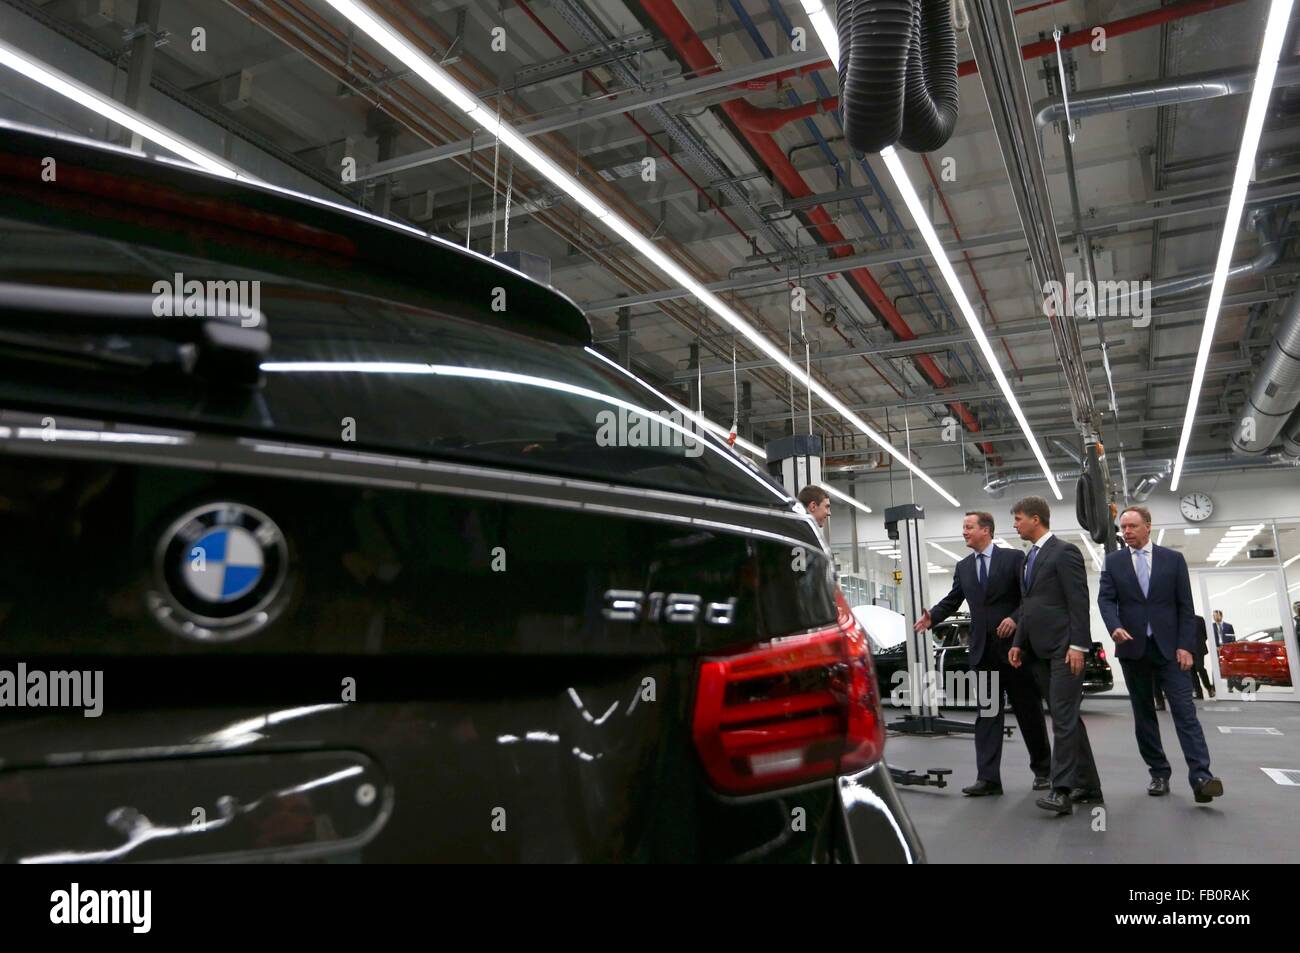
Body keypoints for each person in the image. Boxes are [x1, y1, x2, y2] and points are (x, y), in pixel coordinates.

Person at [914, 511, 1052, 796]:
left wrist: (1015, 618)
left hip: (1015, 652)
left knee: (1029, 712)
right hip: (984, 654)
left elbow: (1030, 597)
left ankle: (1044, 771)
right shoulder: (964, 567)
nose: (964, 532)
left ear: (986, 530)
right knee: (987, 715)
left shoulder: (1013, 559)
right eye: (964, 527)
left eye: (968, 527)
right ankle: (988, 779)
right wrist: (933, 618)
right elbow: (952, 601)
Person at [1097, 505, 1223, 803]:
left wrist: (1185, 646)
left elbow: (1185, 607)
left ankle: (1202, 777)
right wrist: (1114, 626)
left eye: (1132, 526)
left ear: (1148, 526)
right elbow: (1105, 599)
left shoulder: (1173, 560)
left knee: (1185, 712)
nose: (1126, 532)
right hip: (1132, 649)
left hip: (1171, 650)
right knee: (1144, 715)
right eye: (1123, 527)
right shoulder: (1113, 562)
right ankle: (1158, 773)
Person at [1005, 496, 1102, 815]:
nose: (1015, 524)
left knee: (1061, 717)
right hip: (1038, 651)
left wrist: (1079, 645)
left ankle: (1061, 790)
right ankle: (1088, 786)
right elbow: (1027, 605)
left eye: (1018, 518)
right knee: (1067, 718)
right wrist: (1018, 641)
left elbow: (1079, 601)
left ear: (1036, 519)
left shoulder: (1065, 552)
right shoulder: (1027, 559)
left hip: (1064, 649)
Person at [1191, 614, 1215, 699]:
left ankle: (1209, 688)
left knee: (1200, 667)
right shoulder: (1181, 619)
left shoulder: (1199, 619)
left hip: (1199, 648)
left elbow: (1205, 634)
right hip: (1188, 649)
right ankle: (1199, 692)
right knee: (1192, 670)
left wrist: (1199, 643)